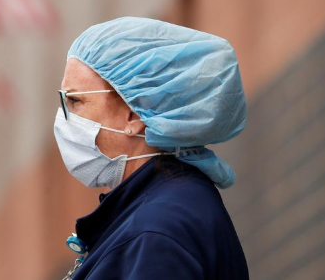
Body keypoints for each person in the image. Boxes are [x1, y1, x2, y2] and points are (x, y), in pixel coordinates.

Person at [53, 17, 250, 279]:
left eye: (75, 100)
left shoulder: (155, 232)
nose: (64, 117)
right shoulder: (150, 219)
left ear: (133, 115)